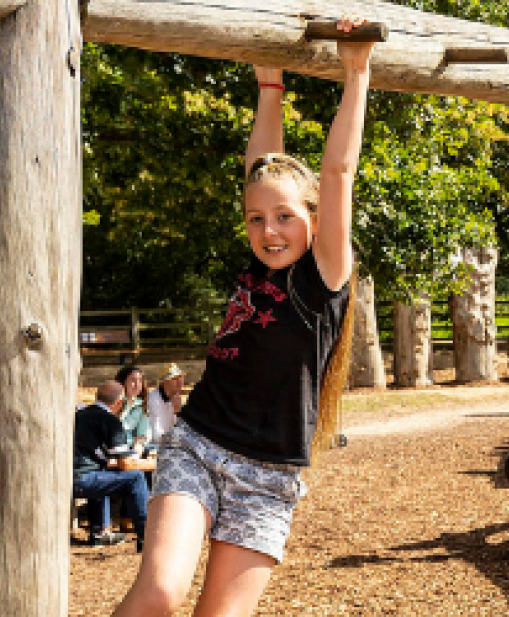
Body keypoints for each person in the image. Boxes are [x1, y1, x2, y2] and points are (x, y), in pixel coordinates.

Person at [114, 17, 373, 616]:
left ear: (314, 218)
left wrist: (355, 72)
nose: (268, 230)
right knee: (158, 592)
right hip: (199, 446)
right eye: (256, 219)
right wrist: (269, 85)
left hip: (269, 477)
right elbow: (263, 163)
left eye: (284, 217)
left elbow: (337, 174)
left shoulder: (323, 277)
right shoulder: (256, 268)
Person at [73, 381, 152, 549]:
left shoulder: (80, 415)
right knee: (136, 478)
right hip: (81, 481)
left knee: (102, 471)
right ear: (119, 403)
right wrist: (152, 464)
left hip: (71, 476)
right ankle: (147, 535)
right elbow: (125, 464)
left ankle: (99, 532)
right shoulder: (109, 420)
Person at [145, 363, 185, 446]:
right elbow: (156, 436)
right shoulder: (153, 399)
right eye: (174, 378)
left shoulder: (177, 398)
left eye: (181, 377)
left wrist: (178, 412)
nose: (180, 381)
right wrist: (177, 411)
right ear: (164, 382)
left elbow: (185, 429)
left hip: (172, 443)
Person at [115, 365, 152, 453]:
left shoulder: (141, 404)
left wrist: (140, 443)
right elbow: (113, 433)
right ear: (123, 382)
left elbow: (144, 432)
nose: (137, 384)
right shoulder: (114, 402)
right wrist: (133, 441)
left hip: (131, 446)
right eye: (133, 380)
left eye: (140, 380)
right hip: (114, 446)